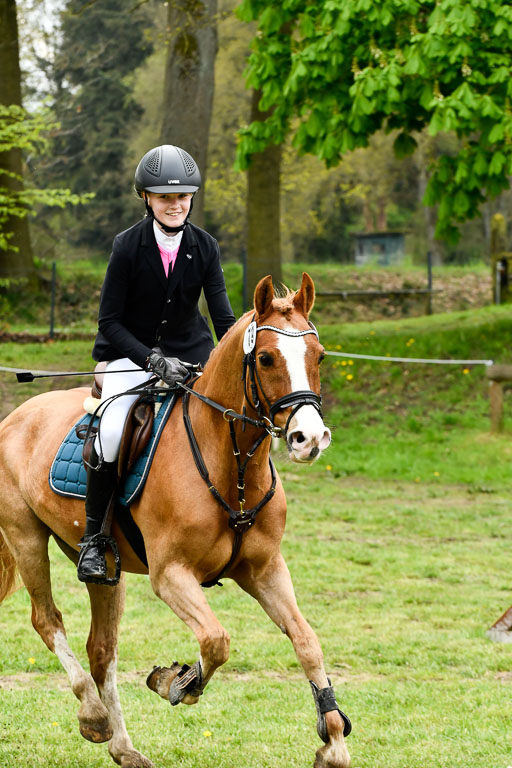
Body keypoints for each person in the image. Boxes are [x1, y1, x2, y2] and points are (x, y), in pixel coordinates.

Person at [77, 144, 236, 583]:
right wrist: (151, 359)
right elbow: (109, 321)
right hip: (128, 352)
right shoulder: (127, 246)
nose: (175, 204)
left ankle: (228, 523)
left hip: (191, 353)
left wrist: (237, 357)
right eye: (165, 197)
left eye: (183, 196)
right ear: (146, 198)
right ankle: (95, 540)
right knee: (111, 429)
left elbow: (223, 317)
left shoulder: (206, 247)